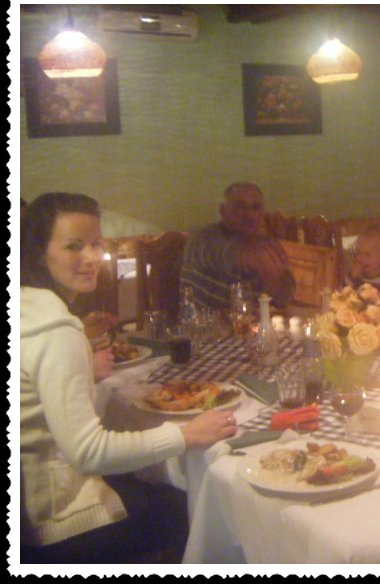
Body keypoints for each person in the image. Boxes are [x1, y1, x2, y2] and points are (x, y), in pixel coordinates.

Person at [20, 192, 237, 563]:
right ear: (40, 252)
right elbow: (89, 452)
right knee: (196, 506)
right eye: (74, 246)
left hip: (35, 505)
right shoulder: (56, 330)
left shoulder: (28, 304)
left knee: (148, 477)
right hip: (60, 521)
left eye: (96, 243)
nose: (92, 258)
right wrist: (185, 435)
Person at [180, 181, 295, 311]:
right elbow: (222, 253)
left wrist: (276, 286)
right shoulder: (202, 238)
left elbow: (286, 297)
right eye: (239, 207)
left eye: (255, 207)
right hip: (208, 323)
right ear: (223, 211)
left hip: (256, 321)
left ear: (262, 213)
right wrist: (250, 257)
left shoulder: (269, 243)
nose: (249, 215)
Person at [344, 222, 380, 303]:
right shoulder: (357, 276)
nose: (361, 258)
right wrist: (351, 276)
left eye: (367, 255)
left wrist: (377, 299)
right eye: (358, 253)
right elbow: (342, 294)